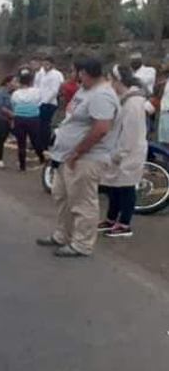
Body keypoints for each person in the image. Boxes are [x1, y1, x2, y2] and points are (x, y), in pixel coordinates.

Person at [37, 57, 120, 258]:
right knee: (62, 196)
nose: (74, 77)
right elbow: (73, 119)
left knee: (83, 202)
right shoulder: (86, 90)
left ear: (84, 73)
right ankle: (62, 235)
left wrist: (77, 152)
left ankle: (82, 244)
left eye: (75, 72)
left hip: (86, 158)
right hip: (67, 156)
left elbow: (101, 128)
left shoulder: (102, 95)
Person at [99, 65, 153, 238]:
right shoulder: (125, 98)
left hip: (129, 152)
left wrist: (119, 153)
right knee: (113, 187)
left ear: (118, 80)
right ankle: (110, 219)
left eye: (110, 79)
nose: (108, 83)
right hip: (120, 150)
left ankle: (124, 225)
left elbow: (131, 133)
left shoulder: (133, 102)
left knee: (126, 188)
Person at [10, 68, 47, 171]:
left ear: (20, 82)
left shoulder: (15, 94)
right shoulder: (36, 91)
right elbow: (40, 102)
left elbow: (13, 105)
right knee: (35, 141)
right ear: (31, 81)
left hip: (19, 119)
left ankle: (22, 166)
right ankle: (42, 159)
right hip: (33, 119)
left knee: (21, 143)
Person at [38, 56, 65, 150]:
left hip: (49, 103)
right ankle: (39, 143)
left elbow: (54, 91)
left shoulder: (56, 75)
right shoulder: (41, 73)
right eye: (44, 63)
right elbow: (37, 86)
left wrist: (44, 102)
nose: (45, 66)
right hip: (39, 101)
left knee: (45, 124)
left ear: (52, 64)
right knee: (39, 124)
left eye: (48, 64)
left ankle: (45, 145)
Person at [0, 75, 17, 168]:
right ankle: (0, 160)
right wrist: (13, 115)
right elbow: (2, 108)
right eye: (14, 81)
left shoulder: (15, 93)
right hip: (2, 120)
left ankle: (20, 160)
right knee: (1, 139)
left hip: (13, 120)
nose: (16, 83)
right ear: (8, 83)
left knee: (21, 137)